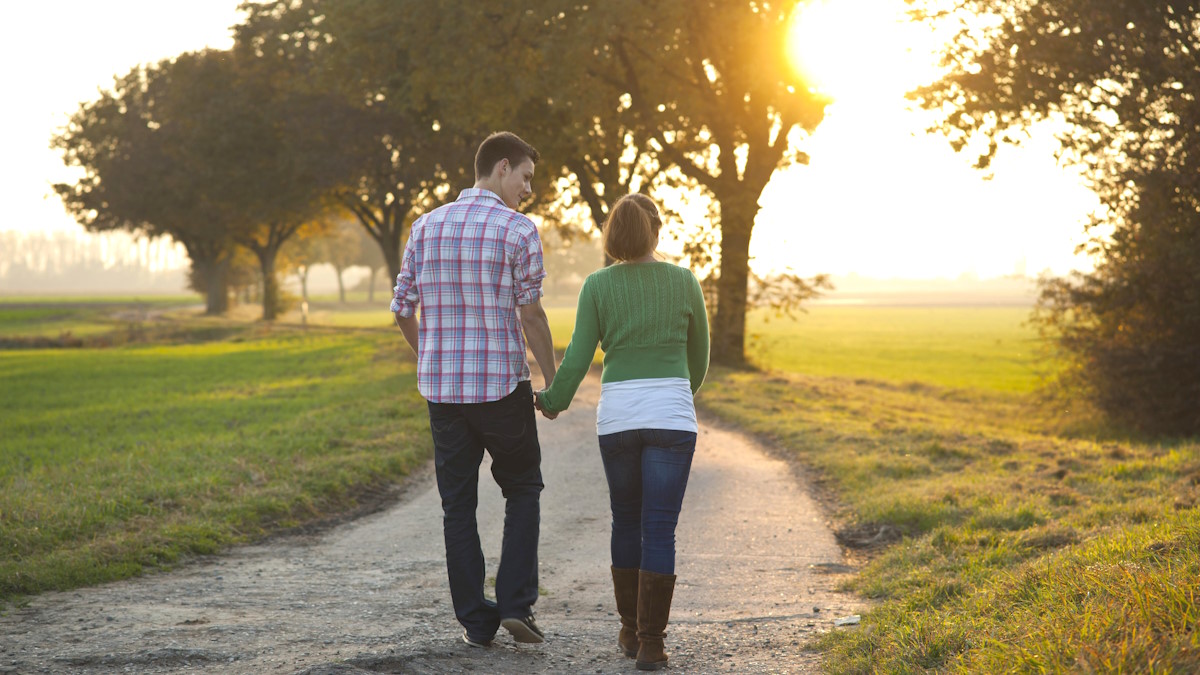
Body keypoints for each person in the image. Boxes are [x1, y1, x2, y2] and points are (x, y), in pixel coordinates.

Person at [391, 131, 557, 648]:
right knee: (523, 487)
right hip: (502, 390)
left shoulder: (425, 227)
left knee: (457, 506)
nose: (528, 189)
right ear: (501, 167)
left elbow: (402, 308)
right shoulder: (518, 230)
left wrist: (432, 357)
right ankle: (516, 605)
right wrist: (551, 380)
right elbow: (530, 315)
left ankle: (475, 621)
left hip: (444, 394)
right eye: (526, 177)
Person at [535, 193, 709, 671]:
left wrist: (552, 401)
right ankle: (652, 644)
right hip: (671, 418)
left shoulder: (597, 286)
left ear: (613, 235)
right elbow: (700, 360)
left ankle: (630, 631)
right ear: (656, 231)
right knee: (659, 528)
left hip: (618, 420)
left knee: (626, 521)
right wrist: (674, 394)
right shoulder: (684, 280)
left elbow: (577, 357)